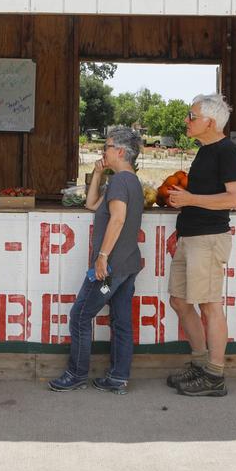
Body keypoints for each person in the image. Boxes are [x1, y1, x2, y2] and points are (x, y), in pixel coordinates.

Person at [49, 126, 144, 394]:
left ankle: (77, 374)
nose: (103, 150)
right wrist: (99, 173)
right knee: (121, 321)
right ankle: (118, 378)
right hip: (129, 264)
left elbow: (118, 218)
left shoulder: (120, 182)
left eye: (107, 147)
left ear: (121, 151)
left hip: (111, 266)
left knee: (80, 315)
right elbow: (92, 205)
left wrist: (102, 257)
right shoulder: (129, 181)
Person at [165, 94, 236, 397]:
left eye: (192, 116)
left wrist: (191, 200)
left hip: (208, 239)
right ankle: (199, 364)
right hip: (191, 236)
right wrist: (184, 203)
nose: (187, 120)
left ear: (209, 122)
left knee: (210, 307)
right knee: (180, 302)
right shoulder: (206, 151)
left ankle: (215, 375)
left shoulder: (228, 152)